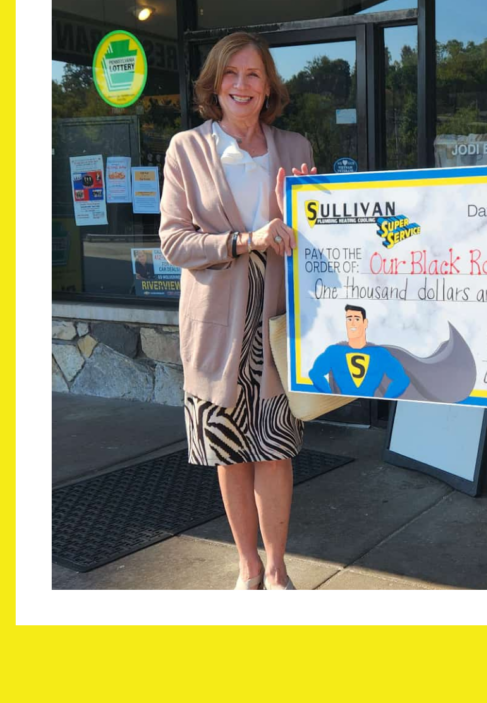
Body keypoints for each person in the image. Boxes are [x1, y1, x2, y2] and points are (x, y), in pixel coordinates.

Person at [160, 31, 316, 590]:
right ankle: (247, 567)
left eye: (253, 75)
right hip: (218, 323)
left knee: (274, 448)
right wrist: (245, 239)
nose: (242, 85)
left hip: (276, 318)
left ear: (268, 85)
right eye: (231, 74)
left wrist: (307, 209)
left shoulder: (295, 148)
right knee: (231, 450)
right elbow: (174, 242)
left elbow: (316, 242)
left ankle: (277, 569)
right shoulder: (187, 148)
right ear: (214, 84)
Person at [307, 305, 411, 398]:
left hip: (370, 409)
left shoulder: (379, 354)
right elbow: (315, 374)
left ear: (365, 323)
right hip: (341, 408)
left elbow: (402, 380)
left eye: (357, 319)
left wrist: (385, 400)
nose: (352, 323)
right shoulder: (334, 351)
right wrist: (330, 397)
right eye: (349, 319)